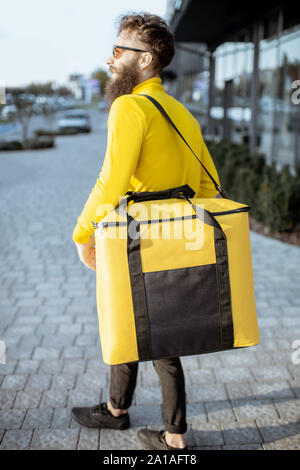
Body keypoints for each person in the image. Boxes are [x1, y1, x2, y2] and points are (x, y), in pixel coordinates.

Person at [71, 12, 221, 451]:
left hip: (132, 238)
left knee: (135, 325)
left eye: (120, 51)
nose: (110, 60)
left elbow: (110, 182)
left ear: (147, 59)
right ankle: (129, 414)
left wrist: (82, 232)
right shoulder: (182, 113)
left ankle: (165, 434)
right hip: (174, 241)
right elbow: (210, 184)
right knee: (154, 331)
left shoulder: (129, 106)